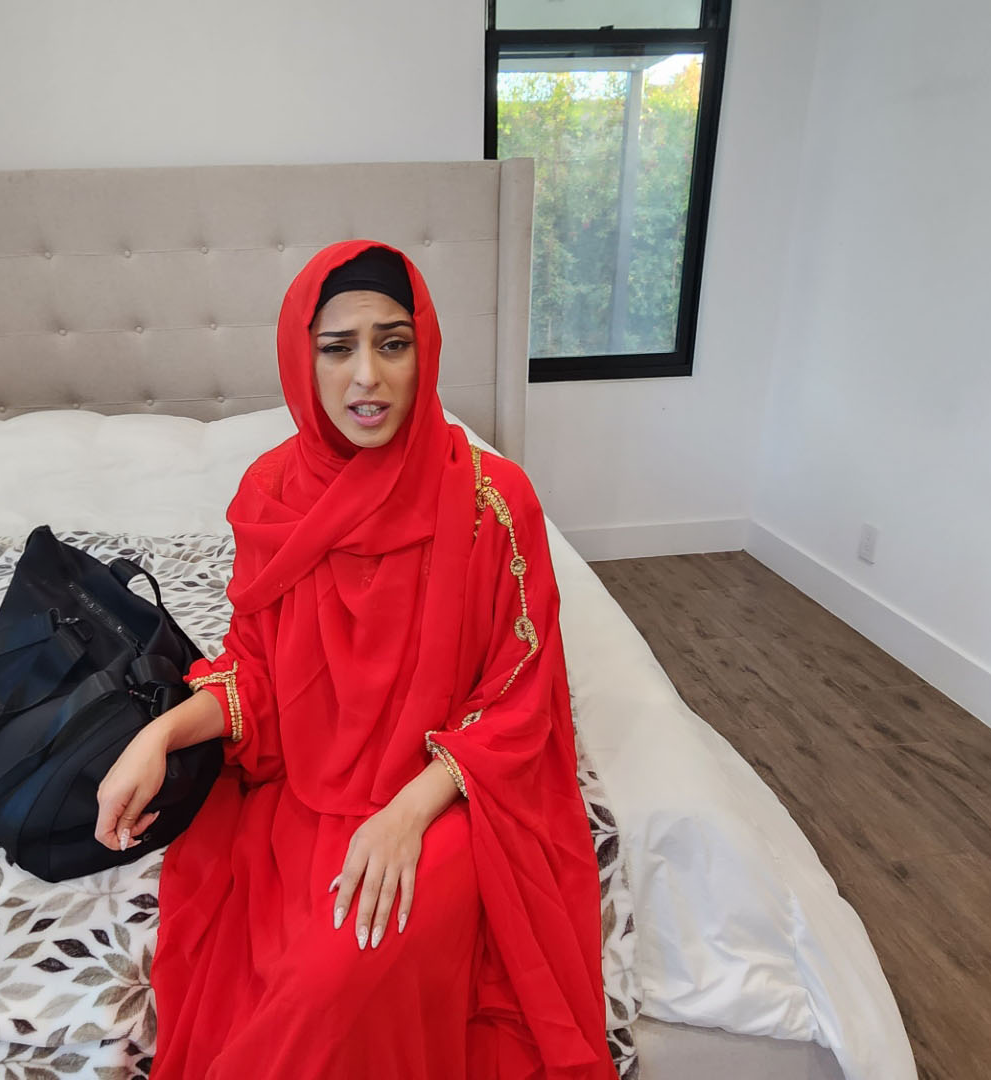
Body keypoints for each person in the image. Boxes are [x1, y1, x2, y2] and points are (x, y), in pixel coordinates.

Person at [93, 239, 615, 1079]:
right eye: (338, 349)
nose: (367, 376)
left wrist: (408, 815)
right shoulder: (271, 494)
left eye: (392, 343)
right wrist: (158, 736)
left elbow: (519, 701)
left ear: (424, 350)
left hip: (446, 799)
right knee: (294, 983)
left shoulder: (494, 500)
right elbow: (257, 675)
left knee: (335, 980)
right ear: (303, 363)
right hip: (304, 798)